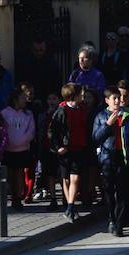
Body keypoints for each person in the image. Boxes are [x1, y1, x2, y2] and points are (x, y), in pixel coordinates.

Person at [93, 86, 129, 237]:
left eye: (118, 98)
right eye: (113, 98)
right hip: (108, 158)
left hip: (124, 157)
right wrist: (108, 124)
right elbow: (95, 138)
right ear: (107, 100)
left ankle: (119, 224)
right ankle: (111, 218)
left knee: (123, 192)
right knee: (109, 191)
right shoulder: (101, 116)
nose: (117, 100)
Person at [48, 83, 88, 223]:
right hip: (66, 149)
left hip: (78, 148)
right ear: (73, 96)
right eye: (80, 94)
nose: (82, 96)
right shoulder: (62, 111)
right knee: (65, 179)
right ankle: (70, 206)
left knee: (75, 178)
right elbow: (52, 131)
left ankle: (70, 206)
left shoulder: (82, 108)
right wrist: (58, 147)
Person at [1, 89, 36, 210]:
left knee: (20, 174)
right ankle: (13, 196)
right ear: (15, 100)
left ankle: (19, 197)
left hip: (22, 149)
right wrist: (6, 142)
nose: (25, 100)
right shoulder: (5, 113)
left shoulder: (28, 114)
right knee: (10, 175)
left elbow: (31, 131)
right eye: (22, 98)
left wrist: (23, 140)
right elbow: (2, 130)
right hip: (8, 150)